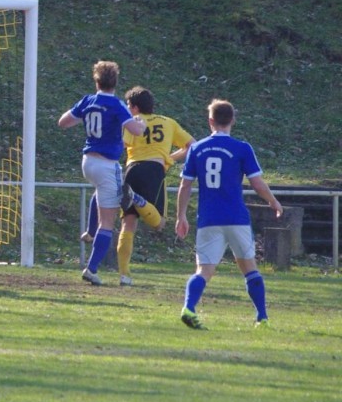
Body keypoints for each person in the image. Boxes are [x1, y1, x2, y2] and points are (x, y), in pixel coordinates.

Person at [174, 99, 282, 329]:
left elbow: (185, 186)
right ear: (232, 120)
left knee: (203, 271)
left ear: (210, 121)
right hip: (236, 219)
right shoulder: (242, 148)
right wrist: (273, 201)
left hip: (209, 220)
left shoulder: (197, 148)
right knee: (249, 268)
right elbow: (257, 183)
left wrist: (180, 216)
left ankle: (189, 308)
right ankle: (262, 317)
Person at [58, 60, 146, 286]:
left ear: (96, 81)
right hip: (107, 164)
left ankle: (89, 231)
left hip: (88, 162)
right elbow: (135, 130)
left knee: (100, 192)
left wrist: (83, 116)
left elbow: (63, 122)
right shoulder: (117, 105)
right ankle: (92, 268)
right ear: (115, 82)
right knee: (107, 223)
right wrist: (140, 122)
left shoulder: (88, 101)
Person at [112, 86, 194, 286]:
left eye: (129, 106)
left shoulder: (132, 123)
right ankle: (139, 200)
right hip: (154, 171)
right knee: (159, 224)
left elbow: (122, 144)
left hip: (132, 170)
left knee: (128, 223)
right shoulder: (168, 122)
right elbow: (192, 144)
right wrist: (168, 158)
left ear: (135, 107)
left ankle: (124, 275)